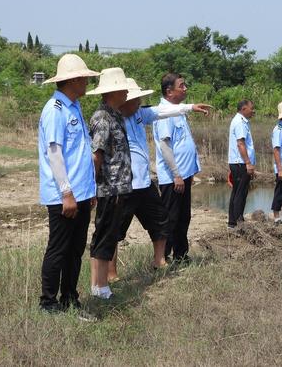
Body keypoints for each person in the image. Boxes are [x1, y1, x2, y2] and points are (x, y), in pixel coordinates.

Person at [105, 78, 211, 280]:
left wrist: (191, 107)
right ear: (122, 101)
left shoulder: (139, 114)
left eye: (137, 99)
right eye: (133, 99)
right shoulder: (111, 120)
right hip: (124, 185)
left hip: (144, 183)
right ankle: (111, 274)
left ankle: (159, 261)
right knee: (116, 230)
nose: (137, 103)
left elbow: (163, 111)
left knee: (160, 220)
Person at [38, 54, 99, 318]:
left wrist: (90, 189)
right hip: (65, 195)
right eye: (84, 78)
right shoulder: (55, 110)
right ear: (73, 80)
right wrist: (67, 192)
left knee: (76, 249)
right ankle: (48, 303)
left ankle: (70, 298)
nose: (87, 82)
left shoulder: (74, 107)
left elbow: (80, 152)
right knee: (59, 248)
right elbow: (55, 153)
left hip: (82, 192)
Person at [86, 67, 139, 300]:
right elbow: (96, 155)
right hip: (109, 187)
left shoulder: (116, 115)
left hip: (119, 187)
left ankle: (100, 285)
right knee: (104, 236)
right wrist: (91, 188)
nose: (127, 91)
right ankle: (98, 286)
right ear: (112, 91)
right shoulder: (103, 118)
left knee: (109, 235)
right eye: (123, 87)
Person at [152, 73, 210, 263]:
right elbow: (165, 146)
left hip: (183, 174)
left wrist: (189, 172)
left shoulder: (177, 110)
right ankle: (164, 257)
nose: (185, 89)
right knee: (171, 217)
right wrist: (177, 175)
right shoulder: (163, 113)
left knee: (183, 217)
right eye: (181, 86)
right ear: (169, 91)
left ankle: (181, 254)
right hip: (172, 177)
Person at [227, 99, 256, 228]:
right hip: (240, 163)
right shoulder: (239, 122)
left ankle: (233, 222)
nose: (253, 111)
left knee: (237, 191)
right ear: (244, 109)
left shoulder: (241, 121)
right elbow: (240, 143)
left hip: (238, 162)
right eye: (251, 108)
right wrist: (248, 163)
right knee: (241, 192)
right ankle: (237, 222)